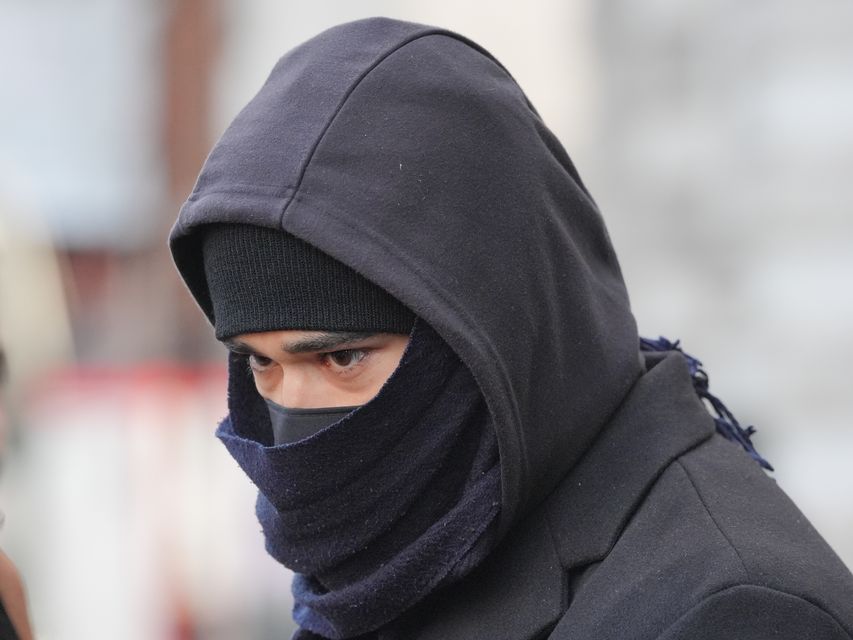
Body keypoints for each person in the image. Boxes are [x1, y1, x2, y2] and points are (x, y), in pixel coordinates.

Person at [169, 17, 853, 640]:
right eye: (259, 364)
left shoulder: (731, 609)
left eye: (343, 359)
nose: (294, 412)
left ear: (484, 334)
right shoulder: (403, 551)